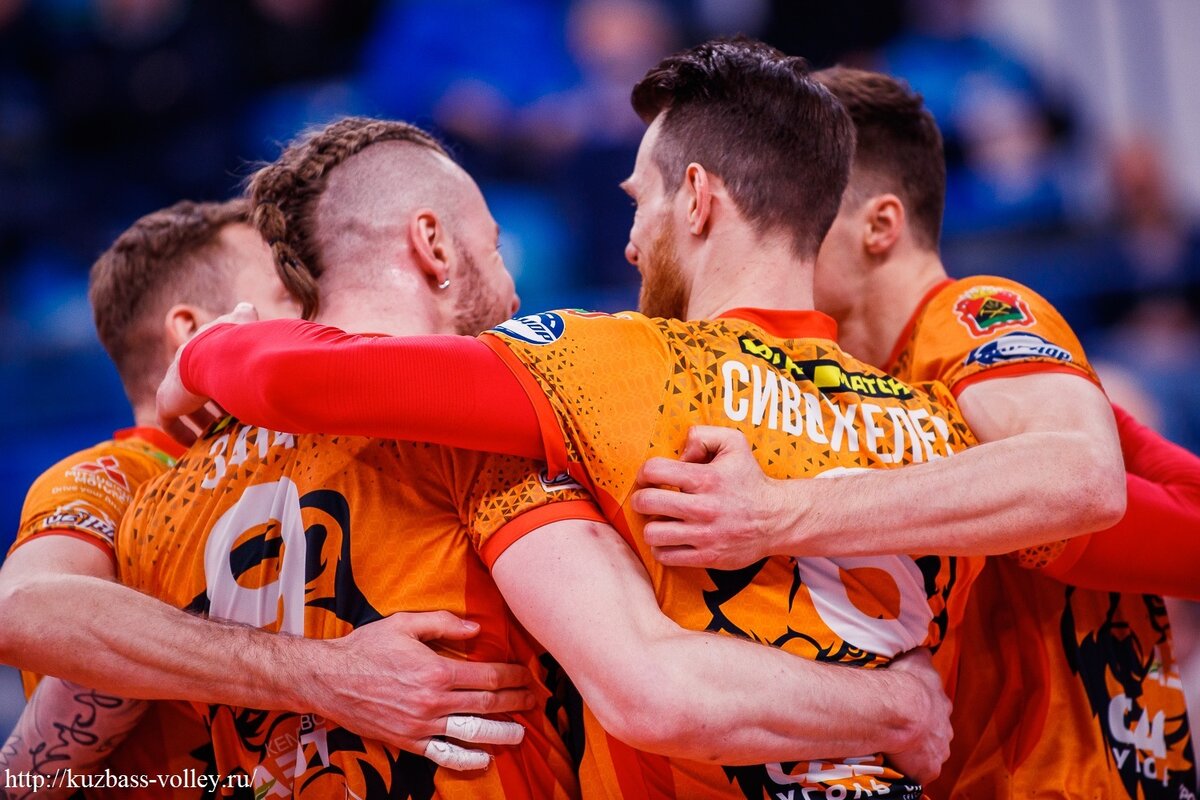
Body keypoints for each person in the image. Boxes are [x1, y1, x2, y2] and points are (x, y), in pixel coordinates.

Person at [157, 41, 1007, 796]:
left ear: (698, 200)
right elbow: (1081, 497)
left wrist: (203, 352)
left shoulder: (617, 364)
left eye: (639, 201)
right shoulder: (944, 430)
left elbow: (312, 377)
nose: (630, 241)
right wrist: (898, 704)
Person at [635, 67, 1200, 795]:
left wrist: (778, 512)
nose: (779, 230)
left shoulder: (971, 314)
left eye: (809, 210)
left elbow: (1085, 484)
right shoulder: (833, 383)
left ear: (880, 226)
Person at [0, 200, 535, 799]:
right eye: (289, 294)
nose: (312, 313)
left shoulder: (332, 444)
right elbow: (22, 605)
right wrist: (328, 673)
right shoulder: (124, 473)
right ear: (192, 333)